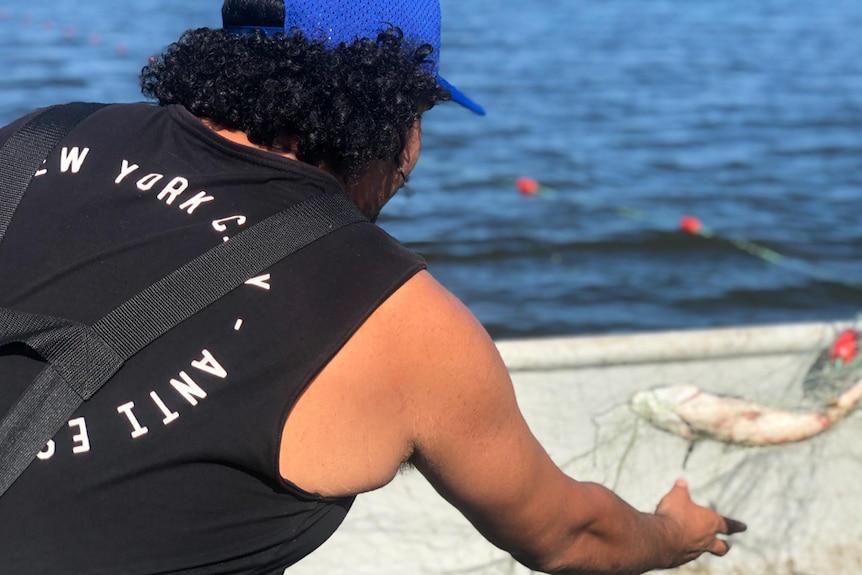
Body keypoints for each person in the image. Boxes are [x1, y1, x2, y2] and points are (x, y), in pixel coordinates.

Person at [0, 0, 745, 573]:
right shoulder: (399, 318)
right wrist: (674, 531)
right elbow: (571, 535)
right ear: (396, 116)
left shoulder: (36, 137)